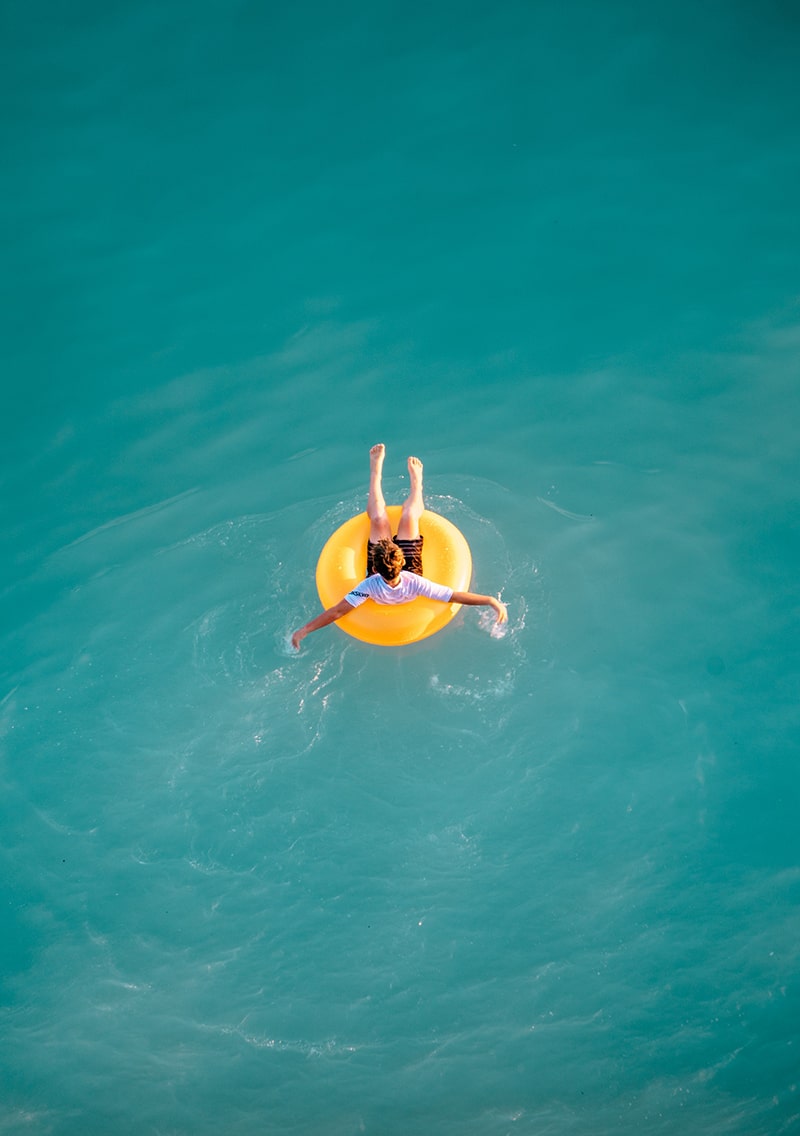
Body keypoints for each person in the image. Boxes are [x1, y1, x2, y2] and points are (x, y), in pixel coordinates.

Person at [291, 445, 508, 649]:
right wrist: (490, 600)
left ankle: (376, 473)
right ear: (402, 558)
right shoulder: (415, 581)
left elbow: (337, 612)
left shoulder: (368, 585)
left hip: (391, 570)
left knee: (378, 519)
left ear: (373, 567)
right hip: (411, 569)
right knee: (409, 516)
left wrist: (304, 630)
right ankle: (416, 484)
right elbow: (453, 595)